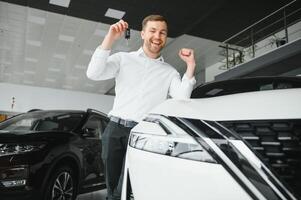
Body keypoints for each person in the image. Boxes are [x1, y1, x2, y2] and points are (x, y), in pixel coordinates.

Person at [86, 14, 196, 200]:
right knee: (112, 186)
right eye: (153, 31)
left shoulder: (169, 72)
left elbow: (182, 97)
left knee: (128, 186)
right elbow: (93, 73)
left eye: (162, 32)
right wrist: (110, 38)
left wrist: (191, 65)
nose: (157, 36)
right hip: (114, 130)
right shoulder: (123, 59)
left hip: (142, 132)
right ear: (143, 34)